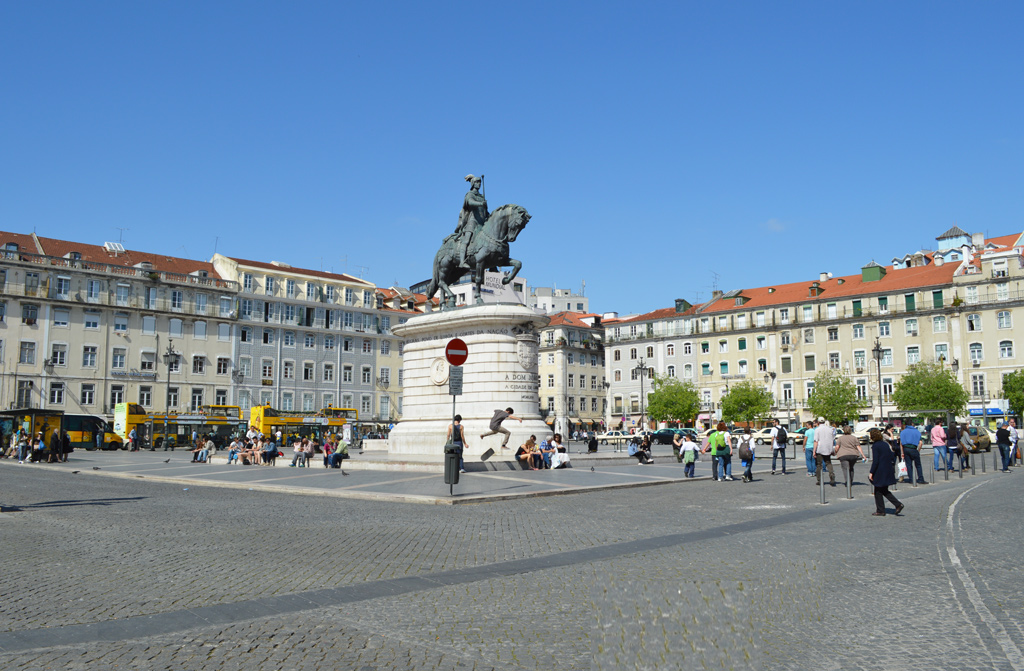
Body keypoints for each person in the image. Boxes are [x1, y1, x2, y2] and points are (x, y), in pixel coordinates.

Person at [455, 174, 489, 267]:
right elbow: (470, 202)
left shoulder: (481, 197)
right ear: (473, 183)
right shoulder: (470, 194)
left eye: (480, 182)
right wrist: (481, 203)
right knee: (466, 240)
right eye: (477, 182)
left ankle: (492, 265)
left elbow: (485, 212)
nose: (479, 184)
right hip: (472, 221)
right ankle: (462, 261)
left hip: (482, 223)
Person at [868, 428, 904, 516]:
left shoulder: (875, 446)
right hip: (887, 468)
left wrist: (871, 472)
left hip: (880, 470)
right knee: (883, 490)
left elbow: (875, 460)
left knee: (878, 490)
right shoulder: (885, 444)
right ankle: (896, 505)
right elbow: (891, 456)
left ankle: (882, 510)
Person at [899, 420, 925, 484]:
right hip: (914, 448)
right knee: (918, 465)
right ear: (912, 424)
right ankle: (920, 478)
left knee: (908, 465)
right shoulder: (917, 431)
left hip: (906, 449)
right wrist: (918, 450)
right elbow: (920, 443)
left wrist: (902, 452)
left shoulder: (903, 432)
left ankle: (911, 479)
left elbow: (901, 443)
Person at [813, 417, 837, 487]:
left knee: (819, 464)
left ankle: (819, 480)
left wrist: (814, 451)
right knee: (828, 463)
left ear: (818, 422)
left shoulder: (817, 430)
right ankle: (832, 475)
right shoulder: (830, 429)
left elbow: (816, 441)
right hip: (828, 448)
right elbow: (832, 439)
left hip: (820, 449)